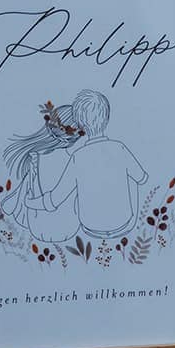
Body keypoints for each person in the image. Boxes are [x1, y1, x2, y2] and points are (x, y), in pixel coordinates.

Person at [27, 90, 148, 240]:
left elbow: (54, 200)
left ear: (80, 126)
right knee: (130, 178)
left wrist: (30, 202)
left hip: (91, 228)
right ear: (107, 118)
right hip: (125, 223)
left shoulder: (77, 157)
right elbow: (142, 178)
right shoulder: (120, 148)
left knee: (77, 185)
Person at [1, 102, 84, 244]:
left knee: (30, 181)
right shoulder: (72, 160)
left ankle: (13, 203)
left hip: (36, 225)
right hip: (68, 228)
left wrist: (27, 201)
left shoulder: (36, 156)